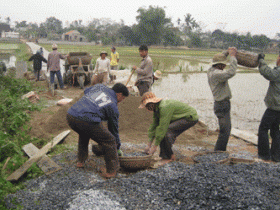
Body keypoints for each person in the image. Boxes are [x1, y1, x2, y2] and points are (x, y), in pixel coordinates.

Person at [66, 83, 129, 178]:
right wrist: (117, 146)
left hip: (71, 115)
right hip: (86, 119)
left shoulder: (99, 87)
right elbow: (113, 129)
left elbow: (86, 91)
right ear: (119, 94)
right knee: (110, 140)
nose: (121, 101)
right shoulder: (113, 106)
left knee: (84, 133)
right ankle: (112, 171)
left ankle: (80, 161)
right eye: (123, 99)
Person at [140, 92, 199, 166]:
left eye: (147, 105)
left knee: (167, 131)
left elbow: (162, 127)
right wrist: (148, 144)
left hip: (189, 117)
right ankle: (164, 156)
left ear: (152, 103)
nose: (146, 108)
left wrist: (154, 147)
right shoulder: (157, 109)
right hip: (179, 117)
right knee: (163, 133)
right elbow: (154, 126)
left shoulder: (164, 107)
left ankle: (170, 157)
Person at [207, 47, 237, 151]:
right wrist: (232, 57)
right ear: (219, 65)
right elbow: (231, 72)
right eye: (223, 64)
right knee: (225, 130)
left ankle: (219, 151)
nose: (225, 66)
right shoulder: (217, 74)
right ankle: (219, 151)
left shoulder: (210, 70)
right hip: (222, 104)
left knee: (226, 129)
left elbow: (219, 59)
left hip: (220, 104)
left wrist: (227, 52)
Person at [257, 53, 280, 162]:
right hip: (278, 107)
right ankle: (276, 157)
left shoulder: (279, 71)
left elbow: (268, 73)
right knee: (275, 130)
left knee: (263, 128)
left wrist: (261, 60)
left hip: (274, 107)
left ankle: (264, 155)